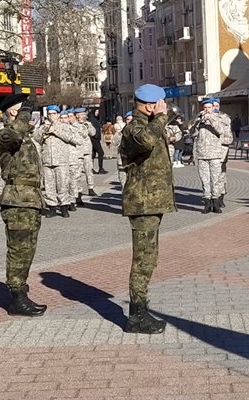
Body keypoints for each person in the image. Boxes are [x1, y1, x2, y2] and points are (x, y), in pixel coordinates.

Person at [120, 84, 176, 334]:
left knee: (149, 258)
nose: (164, 108)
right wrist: (162, 118)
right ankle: (136, 316)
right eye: (161, 104)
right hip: (143, 202)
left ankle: (140, 310)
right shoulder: (135, 127)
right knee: (143, 260)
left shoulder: (148, 124)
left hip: (152, 201)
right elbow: (147, 140)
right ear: (151, 105)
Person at [0, 95, 47, 317]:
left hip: (30, 200)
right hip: (17, 200)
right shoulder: (6, 134)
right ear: (13, 113)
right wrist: (25, 111)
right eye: (25, 111)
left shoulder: (25, 137)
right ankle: (16, 298)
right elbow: (14, 134)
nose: (30, 117)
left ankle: (21, 291)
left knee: (27, 251)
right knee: (18, 252)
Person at [33, 105, 76, 218]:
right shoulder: (43, 126)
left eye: (53, 114)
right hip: (47, 160)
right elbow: (36, 138)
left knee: (62, 184)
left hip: (61, 160)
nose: (51, 116)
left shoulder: (64, 126)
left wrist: (55, 131)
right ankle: (52, 207)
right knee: (49, 185)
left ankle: (64, 207)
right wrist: (43, 130)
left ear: (58, 115)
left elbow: (72, 138)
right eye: (49, 114)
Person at [190, 98, 227, 213]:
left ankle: (216, 202)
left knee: (215, 179)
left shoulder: (218, 118)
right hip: (202, 155)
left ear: (213, 108)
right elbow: (191, 132)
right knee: (204, 180)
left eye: (209, 108)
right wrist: (197, 122)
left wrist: (210, 118)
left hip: (215, 154)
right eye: (205, 108)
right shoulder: (199, 120)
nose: (206, 110)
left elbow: (221, 131)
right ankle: (207, 203)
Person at [213, 98, 233, 207]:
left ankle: (221, 197)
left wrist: (217, 142)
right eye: (213, 106)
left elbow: (229, 138)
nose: (215, 108)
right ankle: (212, 197)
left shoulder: (224, 118)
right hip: (208, 153)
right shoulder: (204, 118)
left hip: (221, 153)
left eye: (217, 106)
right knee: (211, 177)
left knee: (221, 176)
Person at [75, 107, 97, 202]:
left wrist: (88, 126)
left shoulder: (88, 124)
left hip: (87, 151)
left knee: (89, 170)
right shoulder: (74, 125)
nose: (84, 116)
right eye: (82, 114)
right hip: (78, 151)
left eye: (85, 114)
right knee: (78, 173)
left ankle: (91, 187)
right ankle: (79, 191)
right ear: (77, 115)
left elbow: (93, 133)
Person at [112, 111, 133, 189]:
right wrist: (121, 133)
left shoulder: (139, 132)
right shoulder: (121, 132)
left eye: (131, 119)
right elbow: (114, 142)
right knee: (124, 185)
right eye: (128, 119)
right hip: (122, 161)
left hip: (134, 163)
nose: (130, 121)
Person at [89, 109, 108, 174]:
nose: (97, 112)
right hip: (94, 138)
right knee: (101, 152)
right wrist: (96, 137)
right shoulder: (92, 119)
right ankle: (100, 168)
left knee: (93, 154)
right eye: (96, 111)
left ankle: (91, 168)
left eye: (98, 111)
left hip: (96, 138)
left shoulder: (94, 119)